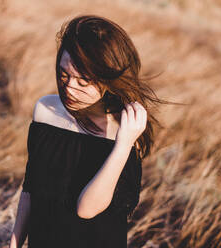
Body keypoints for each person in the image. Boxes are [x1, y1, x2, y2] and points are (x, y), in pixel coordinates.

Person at [10, 14, 175, 248]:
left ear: (108, 79)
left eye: (83, 81)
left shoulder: (124, 132)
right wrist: (15, 242)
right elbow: (31, 187)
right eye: (64, 74)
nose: (69, 88)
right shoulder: (46, 110)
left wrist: (124, 143)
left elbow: (86, 209)